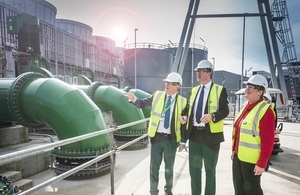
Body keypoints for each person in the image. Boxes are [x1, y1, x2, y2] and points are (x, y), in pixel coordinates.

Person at [124, 72, 187, 195]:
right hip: (157, 138)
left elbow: (185, 123)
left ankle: (168, 191)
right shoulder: (157, 95)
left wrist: (183, 141)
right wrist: (134, 99)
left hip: (171, 140)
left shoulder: (183, 102)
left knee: (169, 169)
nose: (166, 85)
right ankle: (153, 192)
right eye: (166, 82)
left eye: (169, 83)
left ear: (177, 86)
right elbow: (143, 103)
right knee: (154, 168)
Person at [180, 60, 229, 195]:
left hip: (211, 138)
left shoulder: (220, 90)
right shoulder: (194, 90)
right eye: (197, 71)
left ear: (209, 72)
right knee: (194, 171)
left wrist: (212, 116)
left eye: (201, 71)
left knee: (210, 171)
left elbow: (225, 111)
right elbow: (188, 109)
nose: (198, 73)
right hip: (194, 135)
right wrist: (184, 117)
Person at [232, 74, 275, 195]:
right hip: (238, 156)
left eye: (251, 87)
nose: (247, 89)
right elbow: (239, 131)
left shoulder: (266, 111)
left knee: (252, 191)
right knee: (239, 190)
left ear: (260, 92)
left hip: (252, 161)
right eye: (247, 85)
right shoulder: (246, 106)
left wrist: (262, 163)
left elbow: (268, 141)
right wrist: (234, 151)